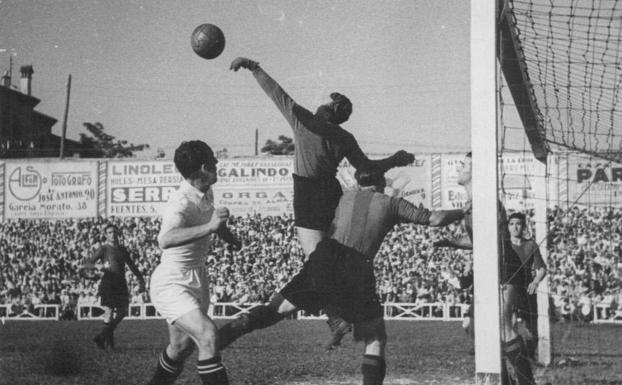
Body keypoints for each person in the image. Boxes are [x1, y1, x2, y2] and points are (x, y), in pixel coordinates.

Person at [217, 168, 467, 385]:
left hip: (325, 257)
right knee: (375, 336)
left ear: (359, 183)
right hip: (356, 265)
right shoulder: (390, 203)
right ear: (381, 183)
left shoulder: (345, 197)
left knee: (274, 309)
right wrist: (463, 210)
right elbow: (435, 219)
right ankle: (340, 318)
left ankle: (216, 341)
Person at [230, 57, 415, 348]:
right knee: (333, 254)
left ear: (328, 108)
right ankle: (339, 311)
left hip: (307, 194)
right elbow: (367, 169)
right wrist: (396, 159)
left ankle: (334, 316)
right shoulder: (345, 137)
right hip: (334, 194)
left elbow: (276, 93)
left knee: (317, 261)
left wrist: (254, 67)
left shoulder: (305, 121)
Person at [434, 152, 536, 385]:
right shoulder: (472, 201)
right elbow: (479, 240)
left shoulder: (485, 199)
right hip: (489, 267)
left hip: (502, 266)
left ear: (475, 172)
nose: (459, 168)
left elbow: (497, 240)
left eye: (464, 164)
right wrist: (452, 242)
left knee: (503, 328)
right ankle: (506, 380)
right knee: (475, 327)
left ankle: (526, 382)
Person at [146, 140, 241, 385]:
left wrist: (229, 237)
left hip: (197, 277)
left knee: (180, 347)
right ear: (202, 167)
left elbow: (211, 220)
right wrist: (210, 227)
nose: (217, 163)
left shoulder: (206, 190)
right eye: (212, 160)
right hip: (172, 281)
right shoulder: (180, 202)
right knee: (208, 335)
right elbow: (165, 239)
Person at [82, 224, 146, 350]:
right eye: (110, 232)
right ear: (106, 235)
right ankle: (110, 345)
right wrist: (96, 267)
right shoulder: (104, 249)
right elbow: (88, 263)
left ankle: (102, 336)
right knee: (109, 311)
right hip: (109, 282)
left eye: (115, 232)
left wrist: (141, 278)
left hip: (121, 283)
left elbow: (131, 265)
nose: (113, 234)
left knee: (123, 312)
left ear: (118, 234)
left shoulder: (122, 249)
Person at [507, 212, 547, 360]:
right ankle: (515, 360)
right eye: (511, 224)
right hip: (509, 291)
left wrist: (536, 281)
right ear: (508, 227)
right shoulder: (504, 246)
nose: (515, 227)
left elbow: (542, 268)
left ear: (523, 226)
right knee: (509, 327)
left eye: (518, 223)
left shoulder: (530, 244)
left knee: (532, 334)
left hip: (527, 292)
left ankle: (529, 358)